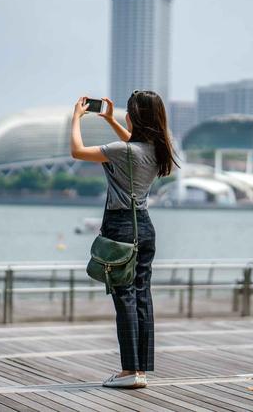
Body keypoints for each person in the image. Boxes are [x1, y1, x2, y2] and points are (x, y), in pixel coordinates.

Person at [69, 90, 180, 389]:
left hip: (121, 227)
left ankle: (129, 371)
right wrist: (109, 119)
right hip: (144, 227)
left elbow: (77, 151)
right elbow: (134, 141)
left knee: (124, 298)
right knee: (142, 296)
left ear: (133, 117)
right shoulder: (158, 150)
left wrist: (76, 118)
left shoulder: (124, 151)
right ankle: (140, 370)